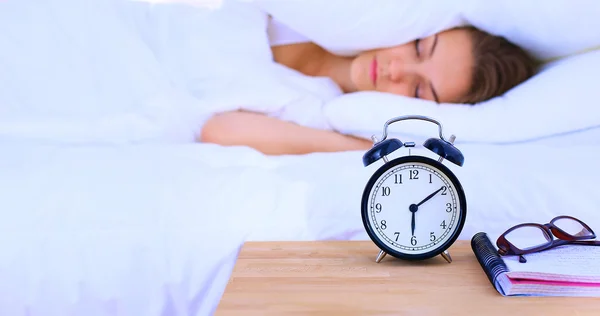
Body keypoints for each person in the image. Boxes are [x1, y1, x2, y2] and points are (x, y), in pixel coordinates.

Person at [200, 20, 539, 155]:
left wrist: (354, 147)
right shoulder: (314, 16)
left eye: (419, 91)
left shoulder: (321, 109)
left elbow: (218, 131)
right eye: (419, 47)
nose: (396, 69)